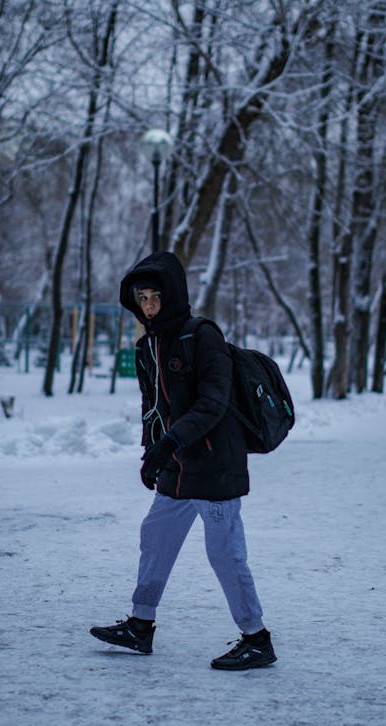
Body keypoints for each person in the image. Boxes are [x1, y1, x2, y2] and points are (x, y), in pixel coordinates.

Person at [90, 251, 276, 670]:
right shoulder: (148, 345)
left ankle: (257, 638)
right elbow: (153, 406)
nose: (150, 304)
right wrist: (150, 451)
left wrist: (168, 444)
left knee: (225, 553)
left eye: (157, 295)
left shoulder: (202, 336)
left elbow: (213, 403)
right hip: (177, 468)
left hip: (215, 467)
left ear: (173, 295)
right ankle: (141, 625)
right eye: (143, 297)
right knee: (155, 538)